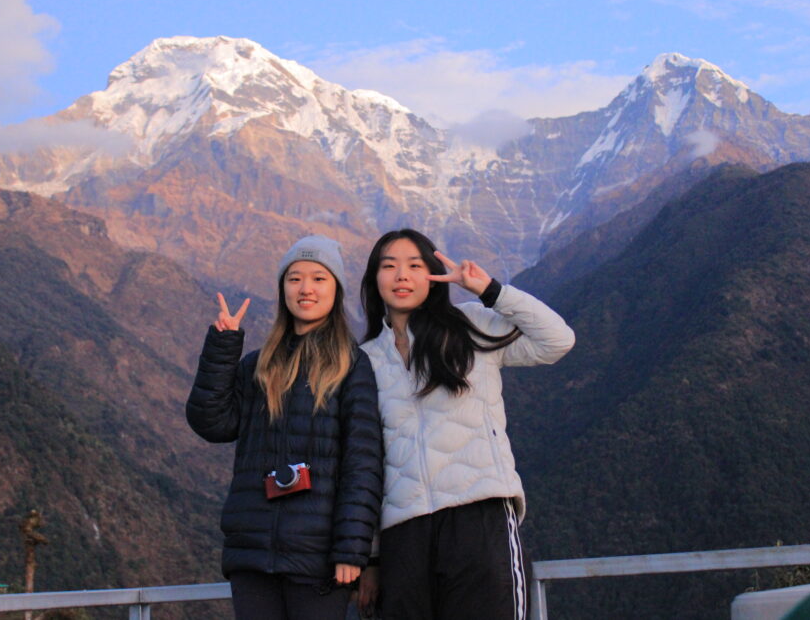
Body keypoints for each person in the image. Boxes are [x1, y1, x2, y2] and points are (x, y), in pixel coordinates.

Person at [357, 228, 575, 620]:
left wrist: (490, 290)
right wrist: (372, 558)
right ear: (374, 279)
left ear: (433, 275)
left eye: (414, 265)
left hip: (479, 518)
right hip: (403, 534)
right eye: (389, 266)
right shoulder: (363, 360)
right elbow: (364, 463)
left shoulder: (471, 326)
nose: (402, 276)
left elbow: (556, 340)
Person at [186, 235, 383, 620]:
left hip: (319, 556)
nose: (305, 288)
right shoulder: (259, 365)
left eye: (318, 278)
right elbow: (213, 423)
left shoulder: (352, 367)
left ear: (336, 290)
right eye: (294, 278)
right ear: (282, 289)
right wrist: (224, 346)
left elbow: (363, 464)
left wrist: (351, 549)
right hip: (253, 552)